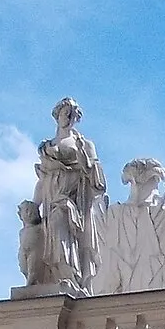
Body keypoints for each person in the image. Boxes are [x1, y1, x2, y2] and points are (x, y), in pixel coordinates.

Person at [34, 97, 106, 292]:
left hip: (74, 201)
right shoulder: (46, 146)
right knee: (50, 235)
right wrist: (34, 206)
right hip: (51, 198)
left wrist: (84, 159)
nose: (69, 117)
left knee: (62, 231)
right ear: (57, 115)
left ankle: (70, 276)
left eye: (73, 115)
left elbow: (97, 181)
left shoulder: (84, 144)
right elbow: (42, 180)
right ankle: (58, 277)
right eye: (66, 113)